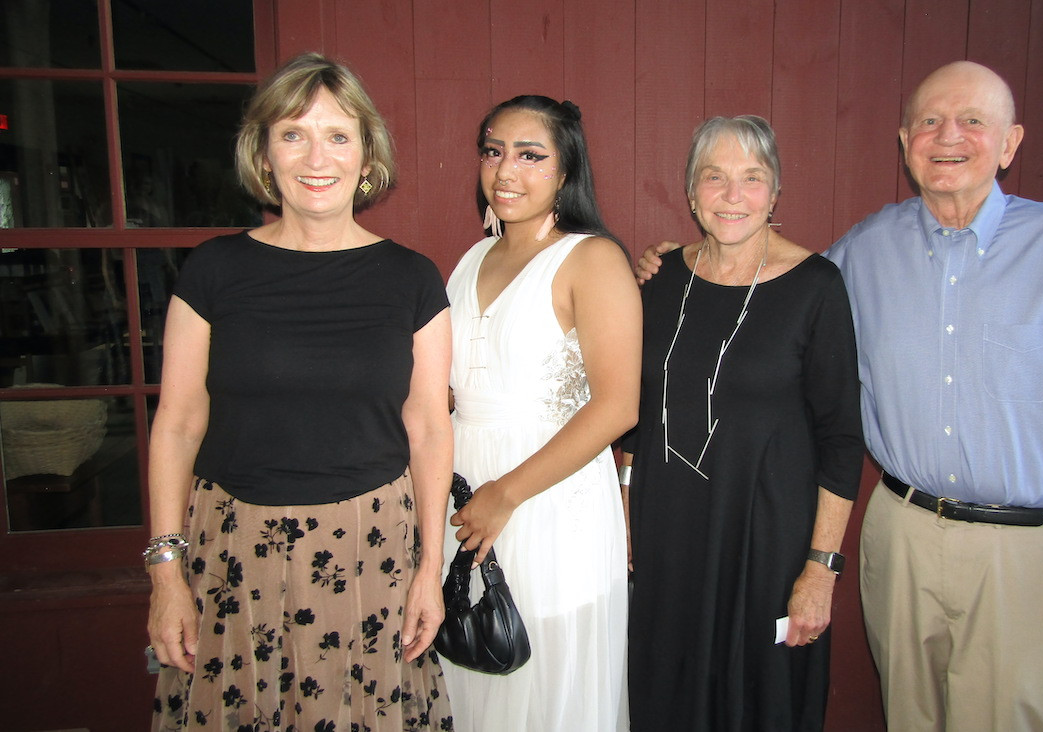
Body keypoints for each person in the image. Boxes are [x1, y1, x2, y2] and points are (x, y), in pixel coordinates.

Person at [637, 62, 1043, 731]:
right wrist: (671, 265)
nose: (948, 136)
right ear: (905, 140)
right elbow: (769, 303)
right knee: (912, 719)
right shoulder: (867, 248)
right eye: (929, 121)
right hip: (905, 533)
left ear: (1009, 144)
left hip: (1022, 548)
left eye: (973, 121)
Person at [145, 53, 455, 731]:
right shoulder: (214, 270)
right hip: (232, 546)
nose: (317, 156)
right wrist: (166, 576)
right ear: (263, 152)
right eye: (293, 134)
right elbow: (176, 424)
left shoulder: (414, 281)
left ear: (367, 155)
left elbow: (429, 428)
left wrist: (430, 568)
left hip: (369, 547)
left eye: (339, 135)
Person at [623, 115, 863, 732]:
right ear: (691, 194)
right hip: (669, 533)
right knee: (667, 693)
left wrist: (820, 569)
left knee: (758, 701)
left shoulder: (816, 287)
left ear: (776, 192)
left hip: (767, 540)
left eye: (752, 178)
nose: (733, 195)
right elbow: (635, 416)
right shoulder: (660, 278)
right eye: (715, 178)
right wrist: (624, 513)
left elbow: (841, 440)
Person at [441, 95, 640, 731]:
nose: (506, 171)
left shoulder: (593, 258)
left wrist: (507, 494)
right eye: (494, 151)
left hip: (549, 501)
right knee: (475, 667)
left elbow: (617, 406)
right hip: (469, 492)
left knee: (548, 677)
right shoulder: (469, 260)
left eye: (531, 155)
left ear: (564, 171)